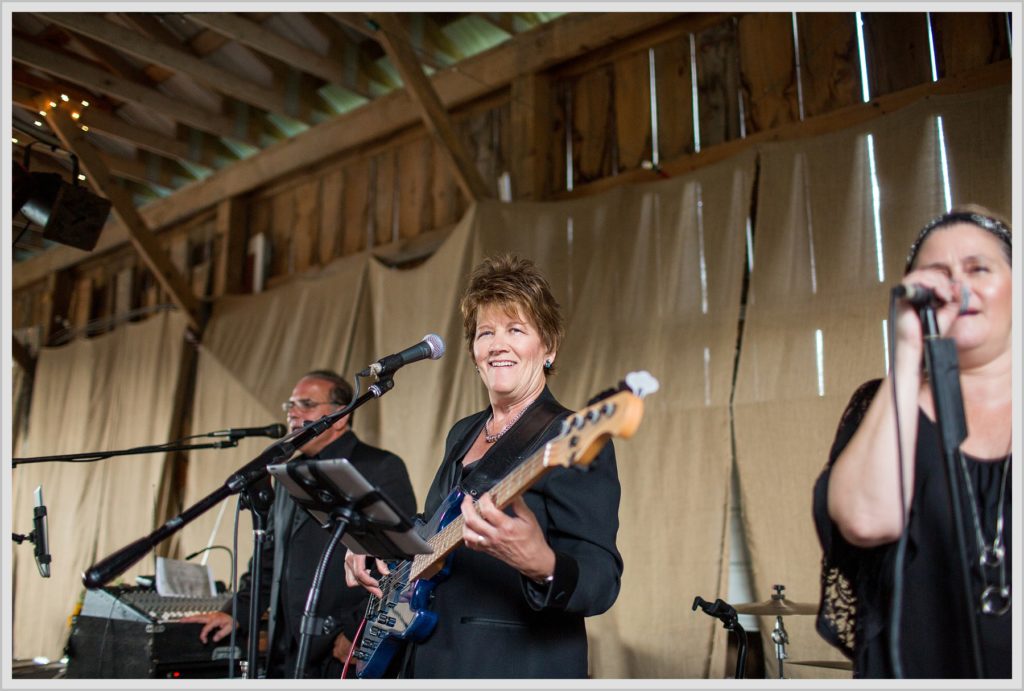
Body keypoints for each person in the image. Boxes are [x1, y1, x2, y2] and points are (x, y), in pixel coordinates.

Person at [345, 253, 623, 678]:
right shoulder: (463, 431)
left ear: (548, 347)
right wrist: (376, 546)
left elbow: (601, 580)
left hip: (510, 665)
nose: (497, 345)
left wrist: (541, 563)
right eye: (485, 333)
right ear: (474, 352)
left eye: (516, 329)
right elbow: (433, 527)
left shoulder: (570, 435)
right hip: (429, 657)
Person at [813, 207, 1012, 678]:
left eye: (978, 268)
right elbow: (865, 520)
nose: (956, 285)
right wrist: (907, 351)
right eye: (937, 274)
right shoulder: (881, 406)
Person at [182, 370, 417, 678]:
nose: (293, 412)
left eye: (306, 403)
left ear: (340, 416)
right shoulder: (286, 473)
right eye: (290, 405)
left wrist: (356, 630)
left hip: (340, 651)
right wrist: (236, 614)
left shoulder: (379, 467)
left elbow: (399, 562)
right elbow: (268, 558)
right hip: (287, 652)